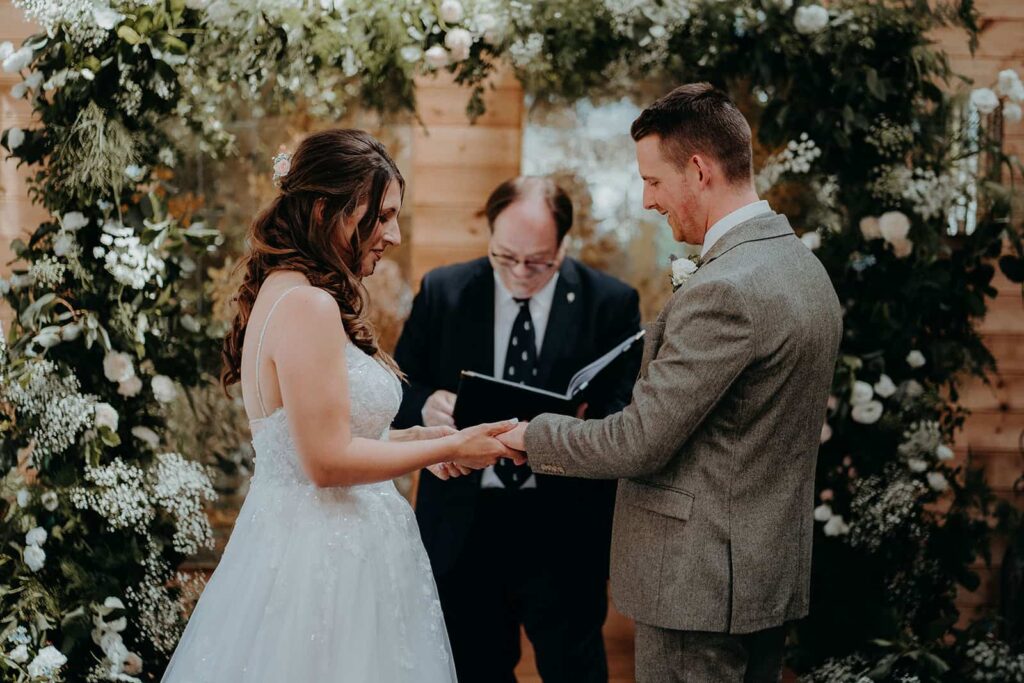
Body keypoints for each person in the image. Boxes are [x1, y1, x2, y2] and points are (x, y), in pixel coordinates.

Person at [499, 84, 843, 683]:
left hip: (698, 587)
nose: (647, 201)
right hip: (761, 575)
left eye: (653, 181)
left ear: (699, 171)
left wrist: (534, 435)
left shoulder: (725, 289)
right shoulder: (802, 269)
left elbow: (639, 442)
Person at [161, 128, 521, 683]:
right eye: (381, 216)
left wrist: (422, 442)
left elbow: (321, 439)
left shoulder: (287, 291)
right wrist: (451, 444)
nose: (394, 235)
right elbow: (326, 463)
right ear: (329, 209)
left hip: (311, 541)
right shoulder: (307, 304)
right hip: (328, 561)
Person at [393, 176, 642, 682]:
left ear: (564, 245)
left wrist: (581, 426)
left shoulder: (609, 303)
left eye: (539, 261)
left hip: (564, 524)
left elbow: (624, 412)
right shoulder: (445, 291)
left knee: (574, 667)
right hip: (464, 522)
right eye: (505, 257)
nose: (521, 273)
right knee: (473, 667)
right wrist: (428, 406)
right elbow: (400, 388)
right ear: (489, 237)